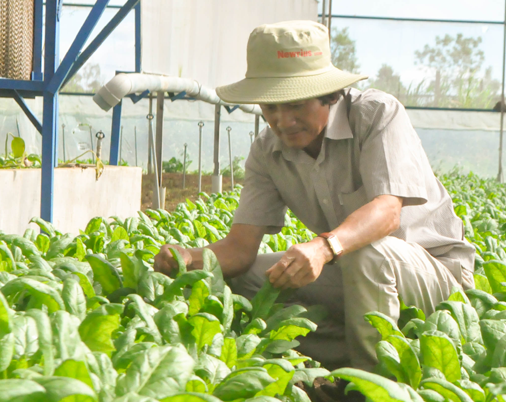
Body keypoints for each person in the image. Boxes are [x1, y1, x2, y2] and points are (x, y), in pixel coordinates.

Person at [154, 20, 474, 371]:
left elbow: (387, 213)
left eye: (294, 105)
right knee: (239, 278)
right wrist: (187, 259)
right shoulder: (266, 151)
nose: (282, 120)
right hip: (356, 273)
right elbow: (240, 250)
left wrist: (324, 247)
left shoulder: (376, 114)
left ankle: (372, 390)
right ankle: (345, 356)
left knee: (365, 250)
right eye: (270, 107)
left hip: (434, 276)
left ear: (329, 94)